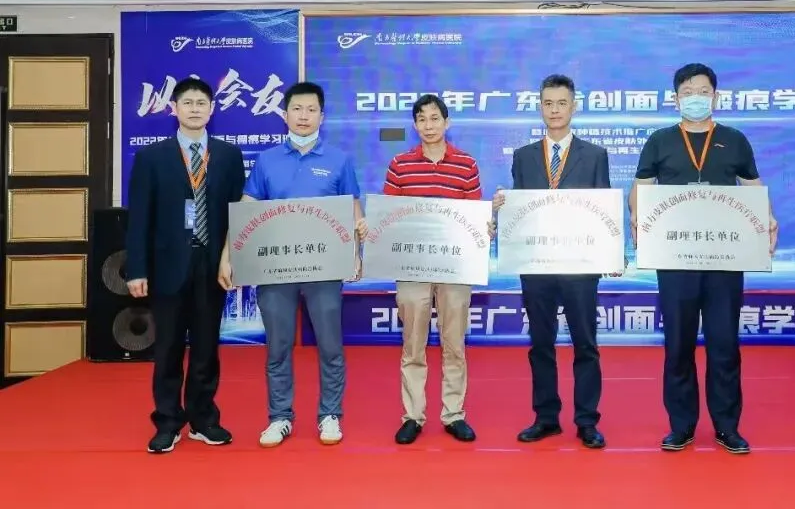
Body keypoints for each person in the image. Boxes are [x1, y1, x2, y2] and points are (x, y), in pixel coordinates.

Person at [629, 63, 777, 454]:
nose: (695, 98)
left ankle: (727, 427)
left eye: (703, 91)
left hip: (724, 258)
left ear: (716, 96)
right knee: (678, 345)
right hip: (675, 258)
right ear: (675, 98)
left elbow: (752, 187)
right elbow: (642, 187)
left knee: (724, 344)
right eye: (687, 92)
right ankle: (682, 426)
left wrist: (767, 218)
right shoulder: (660, 141)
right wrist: (636, 219)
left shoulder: (734, 140)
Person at [218, 81, 362, 448]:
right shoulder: (267, 160)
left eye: (311, 110)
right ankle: (279, 416)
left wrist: (356, 253)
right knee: (278, 346)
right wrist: (227, 255)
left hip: (324, 269)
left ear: (322, 116)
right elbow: (247, 211)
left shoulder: (339, 160)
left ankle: (330, 414)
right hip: (275, 269)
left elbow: (353, 211)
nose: (303, 116)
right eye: (297, 109)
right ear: (285, 114)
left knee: (330, 345)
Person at [358, 94, 492, 445]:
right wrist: (371, 226)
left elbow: (472, 216)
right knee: (413, 344)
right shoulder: (400, 165)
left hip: (454, 266)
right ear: (415, 125)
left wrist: (486, 227)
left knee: (454, 343)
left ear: (447, 123)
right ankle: (413, 416)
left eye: (435, 118)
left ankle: (454, 414)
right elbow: (389, 216)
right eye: (422, 119)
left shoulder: (466, 164)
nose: (428, 125)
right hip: (412, 265)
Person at [126, 77, 246, 454]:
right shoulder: (151, 157)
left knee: (207, 347)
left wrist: (234, 260)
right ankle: (167, 421)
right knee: (168, 348)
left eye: (201, 103)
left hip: (212, 266)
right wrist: (137, 269)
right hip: (167, 267)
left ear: (212, 109)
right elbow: (139, 218)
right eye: (188, 102)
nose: (195, 109)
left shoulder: (228, 155)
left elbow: (239, 214)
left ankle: (203, 419)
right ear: (174, 108)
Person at [502, 74, 613, 449]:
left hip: (580, 266)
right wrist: (503, 208)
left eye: (561, 103)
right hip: (537, 265)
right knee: (541, 344)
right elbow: (521, 209)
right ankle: (546, 417)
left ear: (573, 107)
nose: (554, 110)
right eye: (548, 103)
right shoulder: (524, 156)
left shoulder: (595, 155)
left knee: (586, 344)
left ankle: (587, 421)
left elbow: (602, 210)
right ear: (540, 107)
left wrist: (609, 252)